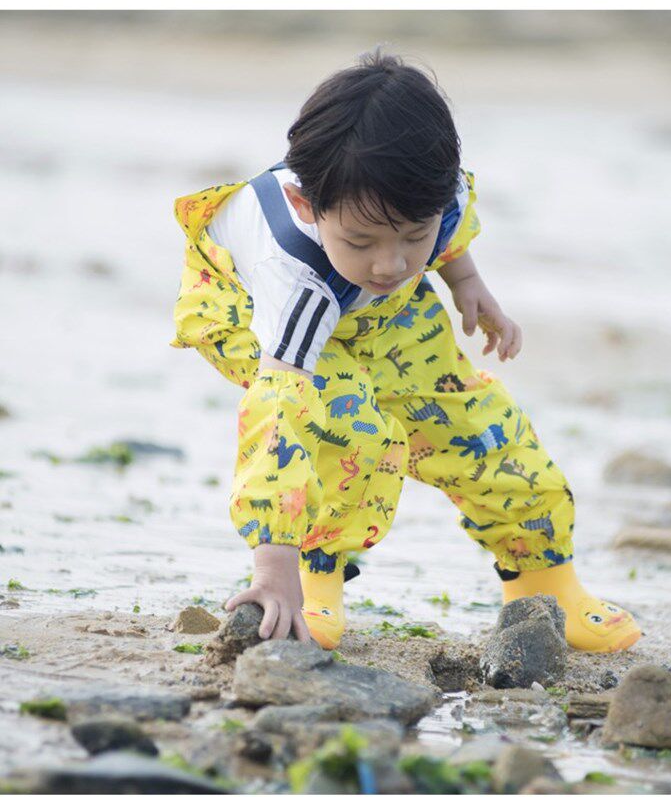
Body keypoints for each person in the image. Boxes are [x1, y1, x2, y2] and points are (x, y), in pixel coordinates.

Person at [171, 48, 641, 654]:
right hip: (243, 308)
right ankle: (313, 578)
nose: (390, 263)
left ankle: (547, 587)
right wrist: (272, 566)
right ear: (307, 206)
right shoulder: (292, 279)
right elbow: (278, 420)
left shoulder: (430, 195)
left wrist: (466, 281)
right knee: (346, 423)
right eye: (362, 240)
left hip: (376, 312)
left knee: (480, 425)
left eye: (414, 236)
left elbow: (445, 228)